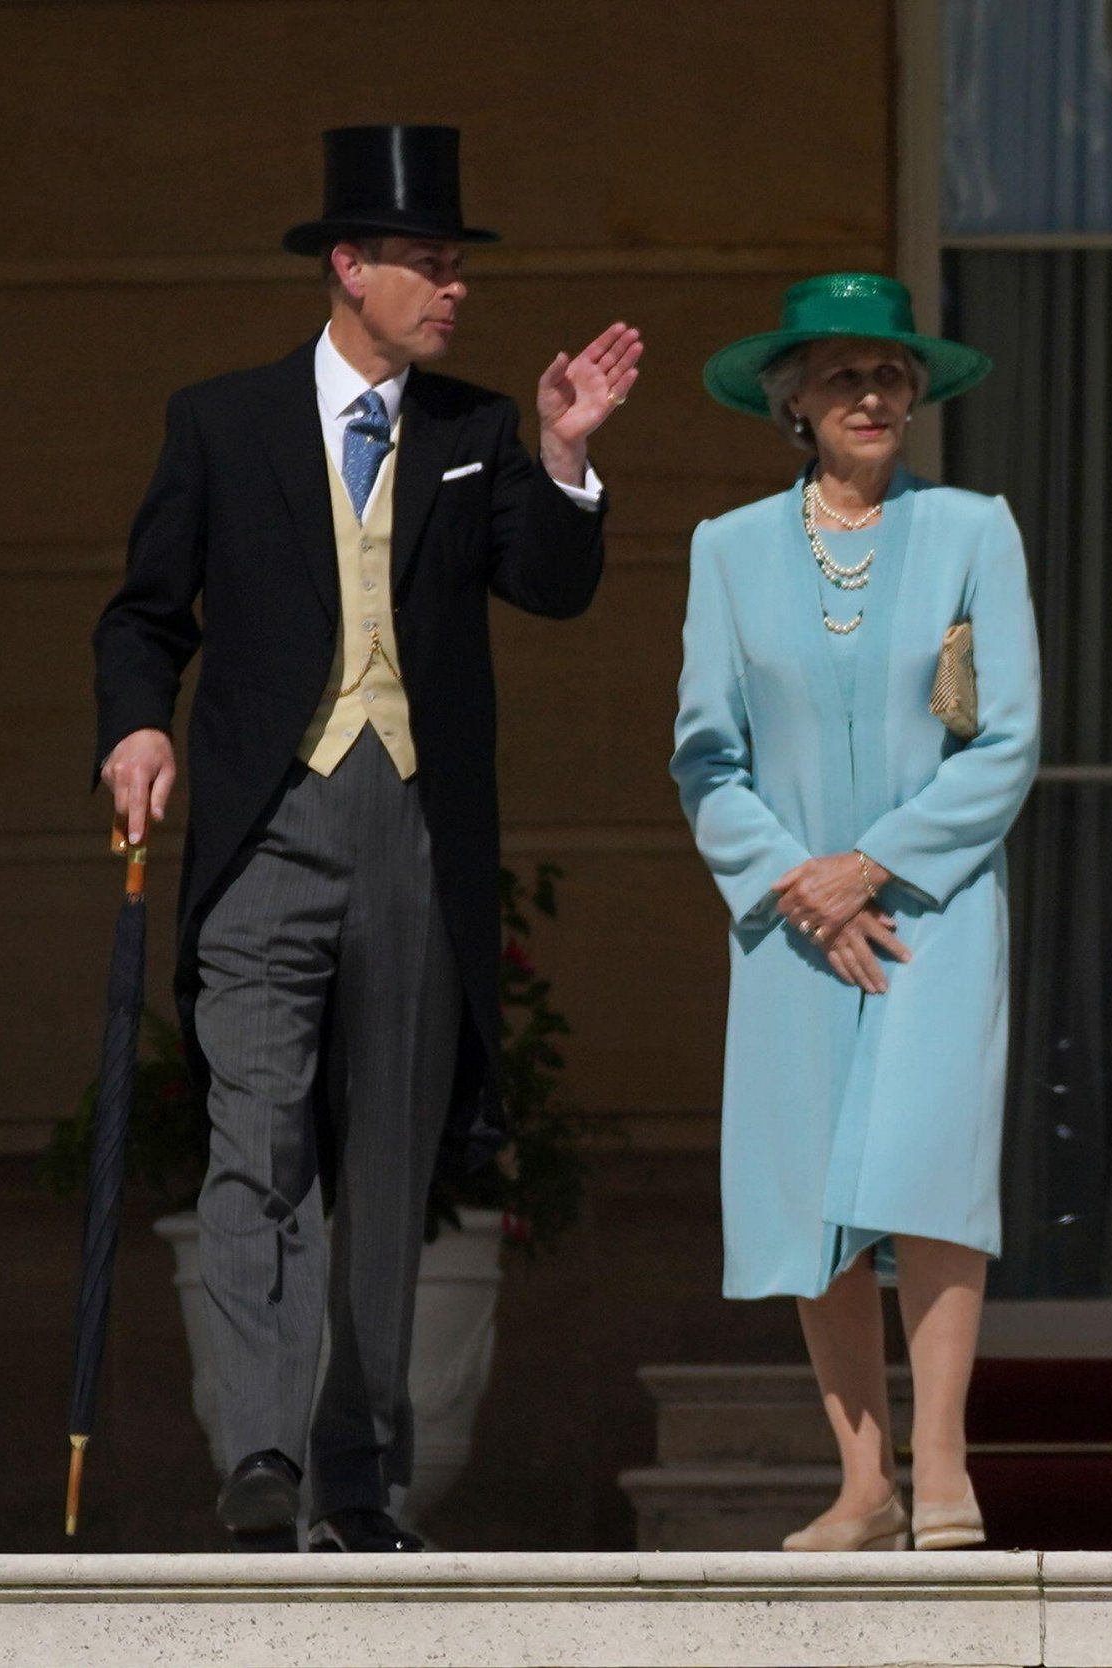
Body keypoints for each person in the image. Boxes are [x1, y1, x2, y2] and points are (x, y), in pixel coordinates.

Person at [94, 125, 641, 1552]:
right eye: (428, 265)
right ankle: (263, 1453)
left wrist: (568, 458)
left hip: (414, 833)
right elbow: (145, 614)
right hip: (267, 827)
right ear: (351, 267)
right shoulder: (218, 422)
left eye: (458, 267)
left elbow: (552, 586)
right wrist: (139, 727)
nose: (453, 290)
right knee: (253, 1144)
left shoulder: (472, 433)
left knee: (390, 1170)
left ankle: (358, 1476)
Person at [670, 273, 1039, 1552]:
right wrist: (800, 886)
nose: (872, 395)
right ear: (796, 405)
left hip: (935, 902)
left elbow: (1002, 744)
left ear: (918, 395)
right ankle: (864, 1482)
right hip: (791, 920)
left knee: (931, 1172)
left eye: (891, 375)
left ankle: (943, 1467)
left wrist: (870, 867)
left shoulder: (975, 532)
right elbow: (706, 759)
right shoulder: (726, 551)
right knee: (812, 1187)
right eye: (843, 376)